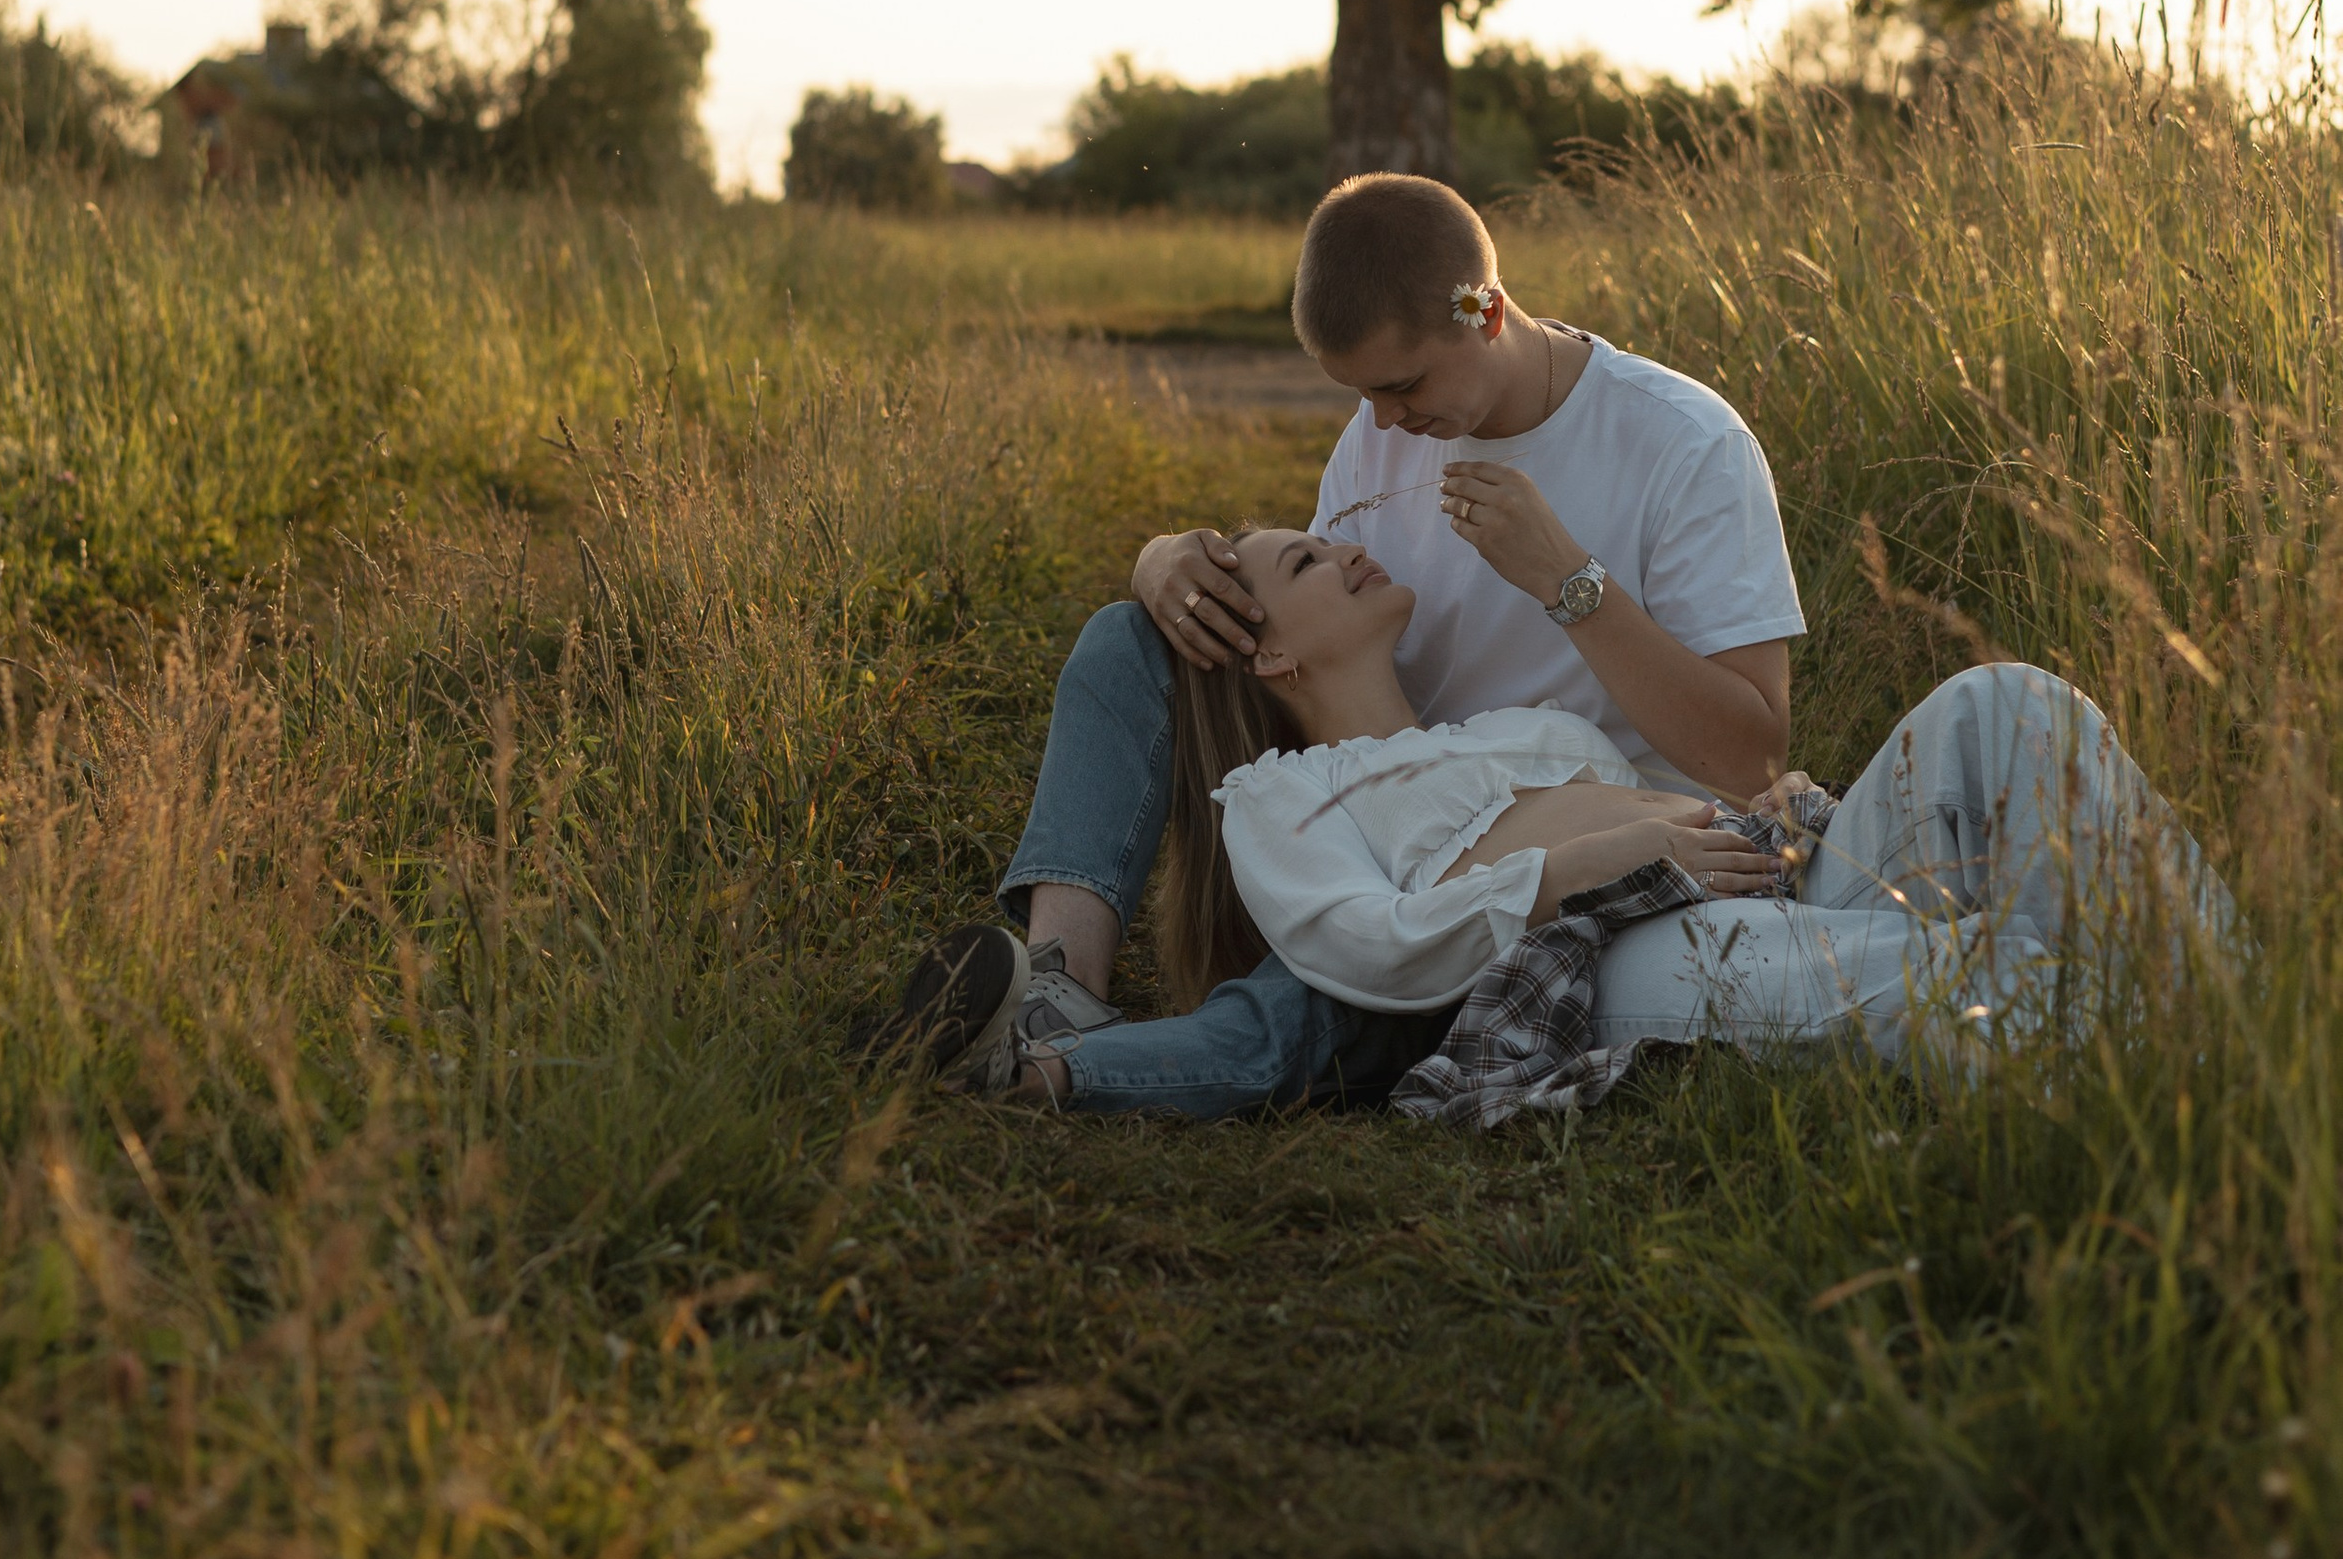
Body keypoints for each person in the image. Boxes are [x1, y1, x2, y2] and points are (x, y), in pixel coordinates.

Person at [884, 166, 1808, 1106]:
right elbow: (1299, 639)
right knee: (1129, 639)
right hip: (1390, 821)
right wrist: (1163, 566)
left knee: (1327, 994)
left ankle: (1050, 1075)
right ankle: (1056, 987)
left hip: (1574, 847)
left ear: (1486, 312)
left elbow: (1748, 755)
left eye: (1401, 386)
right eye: (1359, 394)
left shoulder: (1685, 443)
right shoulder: (1384, 433)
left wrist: (1568, 586)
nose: (1383, 423)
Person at [909, 521, 2227, 1114]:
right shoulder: (1287, 798)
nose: (1345, 544)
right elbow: (1372, 948)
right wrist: (1618, 854)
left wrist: (1736, 813)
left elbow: (1687, 801)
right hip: (1613, 949)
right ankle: (2186, 1077)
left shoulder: (1517, 728)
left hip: (1777, 869)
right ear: (1267, 663)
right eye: (1306, 560)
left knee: (2010, 703)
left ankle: (2241, 1021)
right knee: (1987, 980)